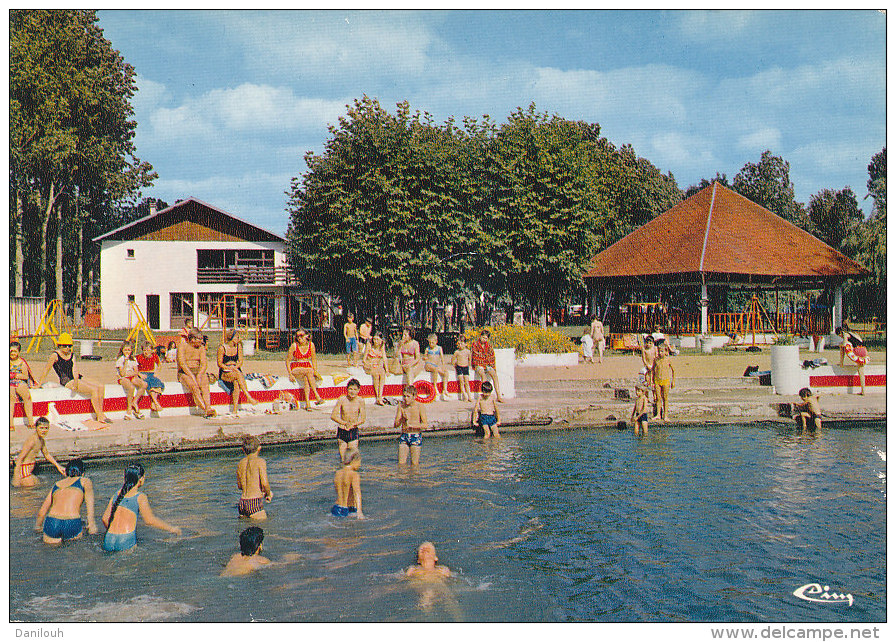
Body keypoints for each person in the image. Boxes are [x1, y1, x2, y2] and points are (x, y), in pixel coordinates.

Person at [102, 462, 181, 552]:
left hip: (108, 539)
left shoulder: (116, 494)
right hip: (125, 541)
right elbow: (149, 520)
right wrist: (171, 528)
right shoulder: (140, 497)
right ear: (140, 479)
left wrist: (115, 532)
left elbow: (104, 518)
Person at [38, 332, 110, 424]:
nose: (67, 348)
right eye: (65, 346)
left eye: (69, 346)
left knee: (100, 386)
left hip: (75, 377)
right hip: (66, 380)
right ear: (59, 345)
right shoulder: (55, 355)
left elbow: (75, 369)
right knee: (94, 390)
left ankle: (101, 413)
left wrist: (76, 381)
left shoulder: (71, 354)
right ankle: (99, 415)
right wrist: (39, 384)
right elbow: (46, 370)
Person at [35, 458, 98, 544]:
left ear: (66, 472)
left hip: (52, 522)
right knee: (72, 551)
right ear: (83, 473)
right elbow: (89, 507)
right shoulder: (85, 481)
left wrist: (38, 527)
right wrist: (91, 525)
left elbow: (41, 512)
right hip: (71, 521)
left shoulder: (56, 484)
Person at [12, 417, 66, 487]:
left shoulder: (41, 441)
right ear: (36, 427)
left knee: (38, 484)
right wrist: (16, 476)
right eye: (41, 428)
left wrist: (58, 466)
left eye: (46, 428)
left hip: (29, 470)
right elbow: (20, 458)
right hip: (24, 469)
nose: (44, 431)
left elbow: (46, 454)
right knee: (28, 493)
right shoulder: (32, 440)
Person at [217, 330, 259, 414]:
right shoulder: (222, 348)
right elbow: (219, 364)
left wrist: (235, 367)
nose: (238, 339)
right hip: (225, 372)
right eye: (237, 337)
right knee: (238, 374)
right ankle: (248, 397)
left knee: (236, 382)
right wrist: (230, 368)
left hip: (235, 370)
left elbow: (240, 361)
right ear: (231, 338)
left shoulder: (238, 346)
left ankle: (235, 410)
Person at [178, 328, 215, 417]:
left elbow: (203, 364)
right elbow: (182, 364)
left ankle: (208, 407)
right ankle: (206, 409)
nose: (201, 341)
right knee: (194, 387)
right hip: (185, 372)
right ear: (193, 339)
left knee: (205, 384)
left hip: (197, 370)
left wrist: (199, 375)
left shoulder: (201, 348)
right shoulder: (182, 346)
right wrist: (192, 377)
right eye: (200, 339)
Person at [285, 328, 324, 410]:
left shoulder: (311, 345)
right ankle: (317, 396)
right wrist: (290, 374)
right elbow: (287, 360)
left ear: (307, 336)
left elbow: (313, 359)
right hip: (296, 366)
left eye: (301, 335)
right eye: (297, 336)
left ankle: (308, 404)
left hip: (306, 367)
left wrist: (315, 370)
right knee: (309, 371)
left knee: (307, 378)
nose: (299, 338)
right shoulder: (294, 346)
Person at [237, 435, 273, 520]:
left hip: (242, 503)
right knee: (264, 530)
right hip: (254, 502)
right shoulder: (260, 461)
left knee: (246, 531)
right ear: (259, 448)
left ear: (243, 449)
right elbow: (264, 484)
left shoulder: (240, 464)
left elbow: (240, 486)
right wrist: (268, 494)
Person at [331, 378, 365, 458]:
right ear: (347, 389)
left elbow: (363, 419)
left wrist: (352, 424)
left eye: (355, 389)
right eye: (350, 389)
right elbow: (333, 416)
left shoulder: (360, 401)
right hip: (342, 430)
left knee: (352, 459)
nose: (352, 391)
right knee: (343, 460)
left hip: (353, 431)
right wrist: (345, 423)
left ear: (358, 390)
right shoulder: (342, 399)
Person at [395, 384, 427, 465]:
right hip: (404, 435)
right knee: (401, 464)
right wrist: (402, 419)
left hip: (415, 436)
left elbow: (425, 425)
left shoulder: (419, 406)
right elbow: (395, 425)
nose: (405, 399)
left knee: (414, 464)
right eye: (404, 396)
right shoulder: (401, 406)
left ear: (414, 396)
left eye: (408, 396)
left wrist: (412, 426)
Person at [116, 341, 148, 420]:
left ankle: (135, 402)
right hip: (123, 378)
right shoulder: (120, 360)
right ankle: (129, 408)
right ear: (122, 350)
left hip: (131, 376)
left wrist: (130, 373)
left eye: (129, 350)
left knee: (144, 384)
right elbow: (122, 374)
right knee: (131, 387)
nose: (127, 352)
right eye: (125, 350)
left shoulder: (133, 359)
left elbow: (136, 371)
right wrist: (126, 362)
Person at [10, 340, 36, 431]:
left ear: (19, 352)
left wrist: (16, 375)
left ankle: (30, 421)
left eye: (15, 351)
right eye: (11, 351)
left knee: (27, 397)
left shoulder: (22, 362)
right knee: (11, 397)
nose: (12, 353)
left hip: (19, 381)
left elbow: (25, 376)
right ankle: (10, 423)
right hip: (9, 382)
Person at [472, 330, 503, 402]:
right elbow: (475, 356)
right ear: (480, 336)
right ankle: (485, 395)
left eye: (486, 338)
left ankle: (498, 395)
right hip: (478, 364)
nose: (484, 339)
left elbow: (491, 357)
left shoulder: (489, 346)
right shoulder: (475, 345)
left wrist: (492, 367)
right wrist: (483, 363)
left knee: (494, 375)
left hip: (487, 363)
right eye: (483, 337)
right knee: (483, 375)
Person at [332, 447, 364, 519]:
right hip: (348, 510)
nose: (359, 465)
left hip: (336, 508)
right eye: (359, 462)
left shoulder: (338, 473)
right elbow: (357, 493)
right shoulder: (354, 474)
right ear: (355, 460)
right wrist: (359, 512)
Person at [836, 326, 868, 395]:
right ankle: (863, 391)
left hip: (858, 350)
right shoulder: (853, 334)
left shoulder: (845, 334)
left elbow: (844, 344)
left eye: (839, 336)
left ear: (840, 333)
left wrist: (840, 345)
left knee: (842, 347)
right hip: (864, 351)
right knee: (861, 372)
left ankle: (841, 363)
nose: (841, 337)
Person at [136, 341, 165, 413]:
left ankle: (153, 403)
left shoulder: (155, 356)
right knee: (150, 383)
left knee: (158, 383)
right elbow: (134, 368)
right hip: (143, 374)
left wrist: (157, 372)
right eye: (144, 350)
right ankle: (155, 402)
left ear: (151, 350)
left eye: (148, 350)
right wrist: (140, 374)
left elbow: (159, 365)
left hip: (151, 373)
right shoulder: (138, 357)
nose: (146, 352)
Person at [362, 332, 390, 405]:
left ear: (381, 340)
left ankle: (380, 396)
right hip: (369, 365)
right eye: (374, 339)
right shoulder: (369, 345)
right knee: (376, 375)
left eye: (377, 339)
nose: (375, 341)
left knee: (382, 374)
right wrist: (370, 364)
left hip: (377, 365)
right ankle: (378, 397)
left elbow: (384, 358)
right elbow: (364, 359)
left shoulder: (382, 347)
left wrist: (387, 370)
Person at [423, 333, 450, 401]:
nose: (431, 344)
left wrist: (443, 366)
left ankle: (445, 389)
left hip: (436, 365)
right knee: (435, 369)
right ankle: (435, 386)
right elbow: (425, 356)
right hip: (429, 364)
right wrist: (425, 357)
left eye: (432, 342)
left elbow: (442, 358)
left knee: (446, 373)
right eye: (429, 342)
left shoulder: (439, 348)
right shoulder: (427, 349)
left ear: (436, 341)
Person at [652, 343, 674, 421]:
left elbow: (673, 370)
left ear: (666, 351)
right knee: (658, 398)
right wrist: (652, 381)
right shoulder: (656, 359)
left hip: (666, 380)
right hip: (657, 380)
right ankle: (658, 414)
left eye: (661, 351)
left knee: (665, 398)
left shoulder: (668, 359)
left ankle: (666, 415)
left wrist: (673, 381)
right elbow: (653, 370)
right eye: (658, 351)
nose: (659, 353)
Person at [450, 334, 473, 402]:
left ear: (465, 344)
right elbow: (453, 359)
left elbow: (469, 359)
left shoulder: (468, 351)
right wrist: (454, 365)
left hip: (465, 367)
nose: (460, 345)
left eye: (461, 344)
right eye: (459, 344)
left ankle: (469, 396)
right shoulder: (457, 352)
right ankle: (464, 396)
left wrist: (469, 365)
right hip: (459, 367)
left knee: (466, 381)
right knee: (461, 382)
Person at [640, 335, 658, 404]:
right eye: (647, 343)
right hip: (647, 366)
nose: (648, 344)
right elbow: (644, 359)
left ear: (653, 343)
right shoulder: (644, 349)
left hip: (653, 366)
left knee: (653, 382)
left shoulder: (655, 348)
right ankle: (646, 398)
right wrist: (647, 365)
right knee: (647, 382)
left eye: (650, 343)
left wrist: (653, 366)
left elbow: (656, 357)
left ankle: (655, 397)